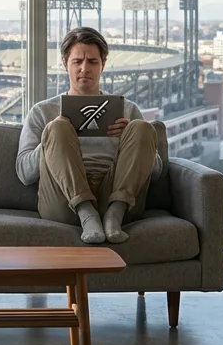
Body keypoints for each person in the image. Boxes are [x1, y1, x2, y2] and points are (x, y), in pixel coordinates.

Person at [16, 27, 161, 244]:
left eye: (93, 62)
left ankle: (114, 213)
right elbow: (24, 172)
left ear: (103, 64)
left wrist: (127, 139)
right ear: (65, 64)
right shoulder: (42, 111)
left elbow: (157, 171)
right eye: (77, 62)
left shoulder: (127, 110)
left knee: (141, 127)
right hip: (63, 202)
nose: (85, 69)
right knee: (57, 129)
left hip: (117, 198)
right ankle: (86, 211)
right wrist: (50, 141)